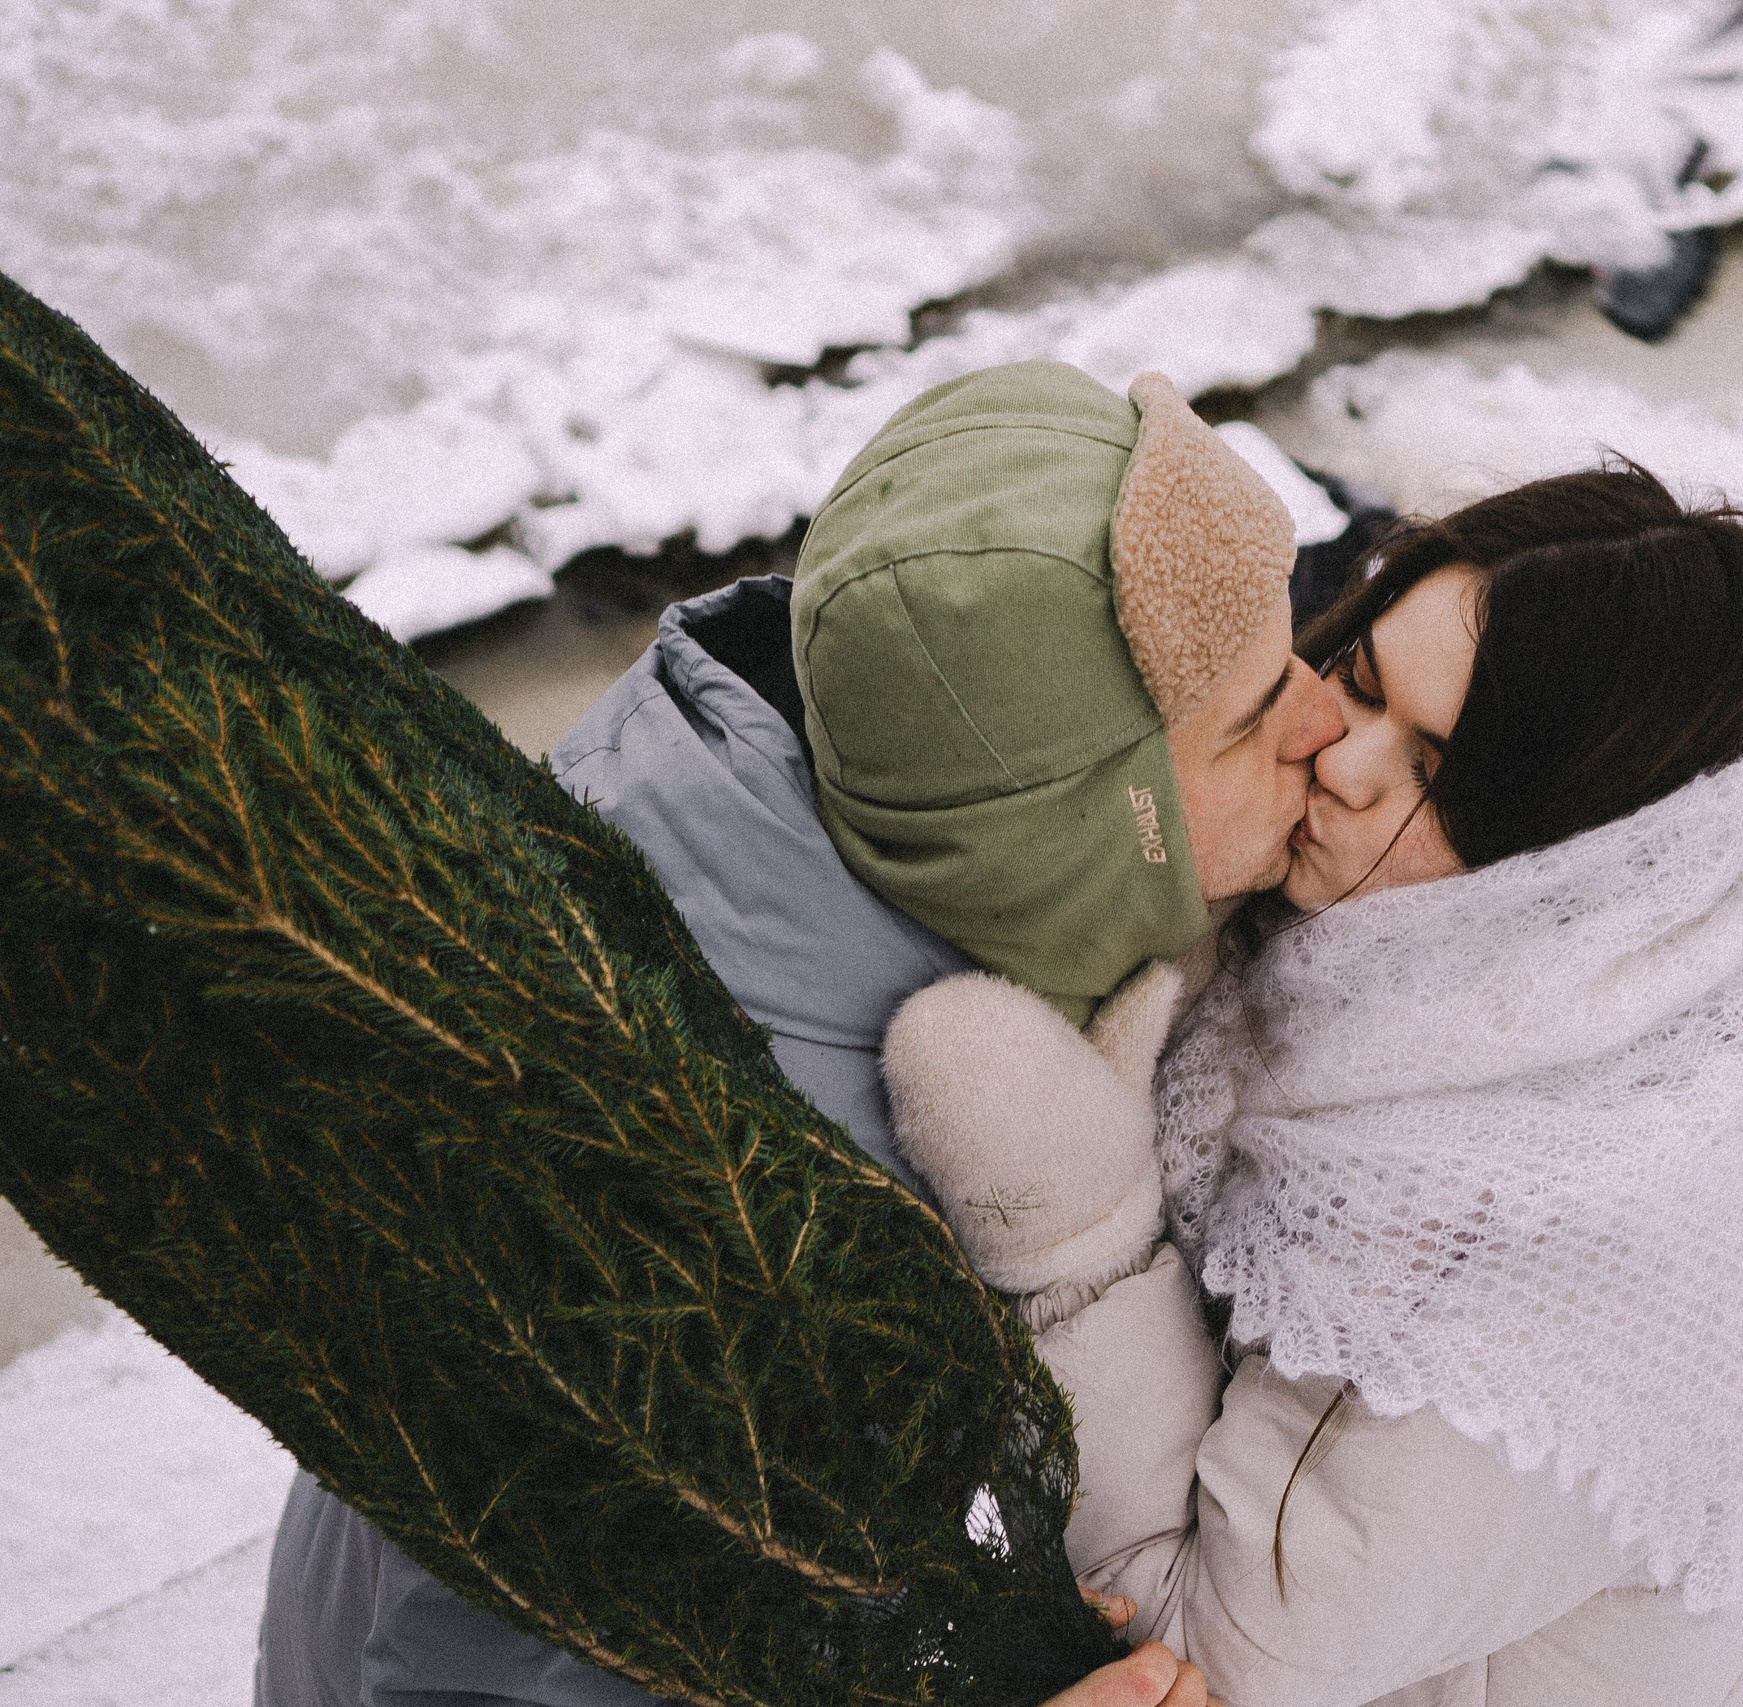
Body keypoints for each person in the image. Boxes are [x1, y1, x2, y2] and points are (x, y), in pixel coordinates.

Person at [252, 360, 1331, 1707]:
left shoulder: (824, 822)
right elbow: (476, 1667)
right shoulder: (721, 1200)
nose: (1331, 720)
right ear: (1072, 837)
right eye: (1254, 714)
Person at [880, 463, 1743, 1706]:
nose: (1343, 762)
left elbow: (1205, 1655)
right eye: (1361, 681)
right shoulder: (1655, 916)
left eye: (1437, 770)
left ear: (1577, 850)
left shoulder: (1498, 1250)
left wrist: (1072, 1236)